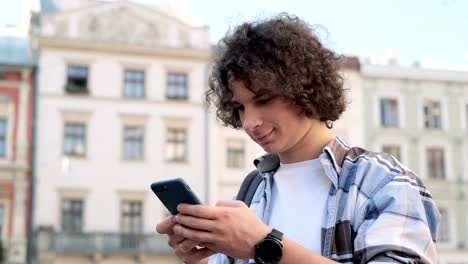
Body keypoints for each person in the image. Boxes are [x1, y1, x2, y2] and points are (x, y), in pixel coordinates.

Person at [156, 13, 440, 264]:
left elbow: (260, 246)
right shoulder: (251, 191)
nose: (250, 122)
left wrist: (264, 245)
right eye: (240, 107)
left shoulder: (381, 181)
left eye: (264, 99)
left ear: (305, 88)